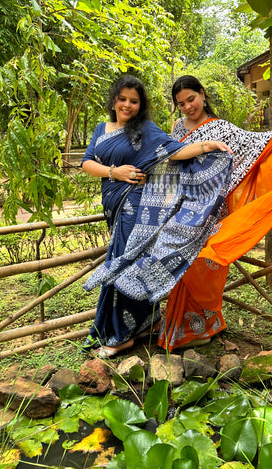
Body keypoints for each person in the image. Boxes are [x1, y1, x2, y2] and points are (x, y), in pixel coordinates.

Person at [157, 75, 272, 351]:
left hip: (213, 209)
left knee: (207, 262)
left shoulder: (221, 128)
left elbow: (253, 142)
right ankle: (184, 327)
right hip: (183, 208)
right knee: (184, 264)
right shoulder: (177, 129)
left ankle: (205, 325)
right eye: (181, 104)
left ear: (203, 93)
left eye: (191, 99)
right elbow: (169, 160)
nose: (188, 107)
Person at [81, 75, 233, 358]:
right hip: (113, 205)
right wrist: (116, 172)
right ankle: (147, 323)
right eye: (123, 99)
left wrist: (207, 146)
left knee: (127, 264)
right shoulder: (102, 129)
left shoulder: (146, 131)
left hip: (136, 207)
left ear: (141, 106)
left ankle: (121, 335)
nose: (127, 105)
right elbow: (87, 162)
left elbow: (174, 153)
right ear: (114, 100)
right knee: (124, 261)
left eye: (134, 101)